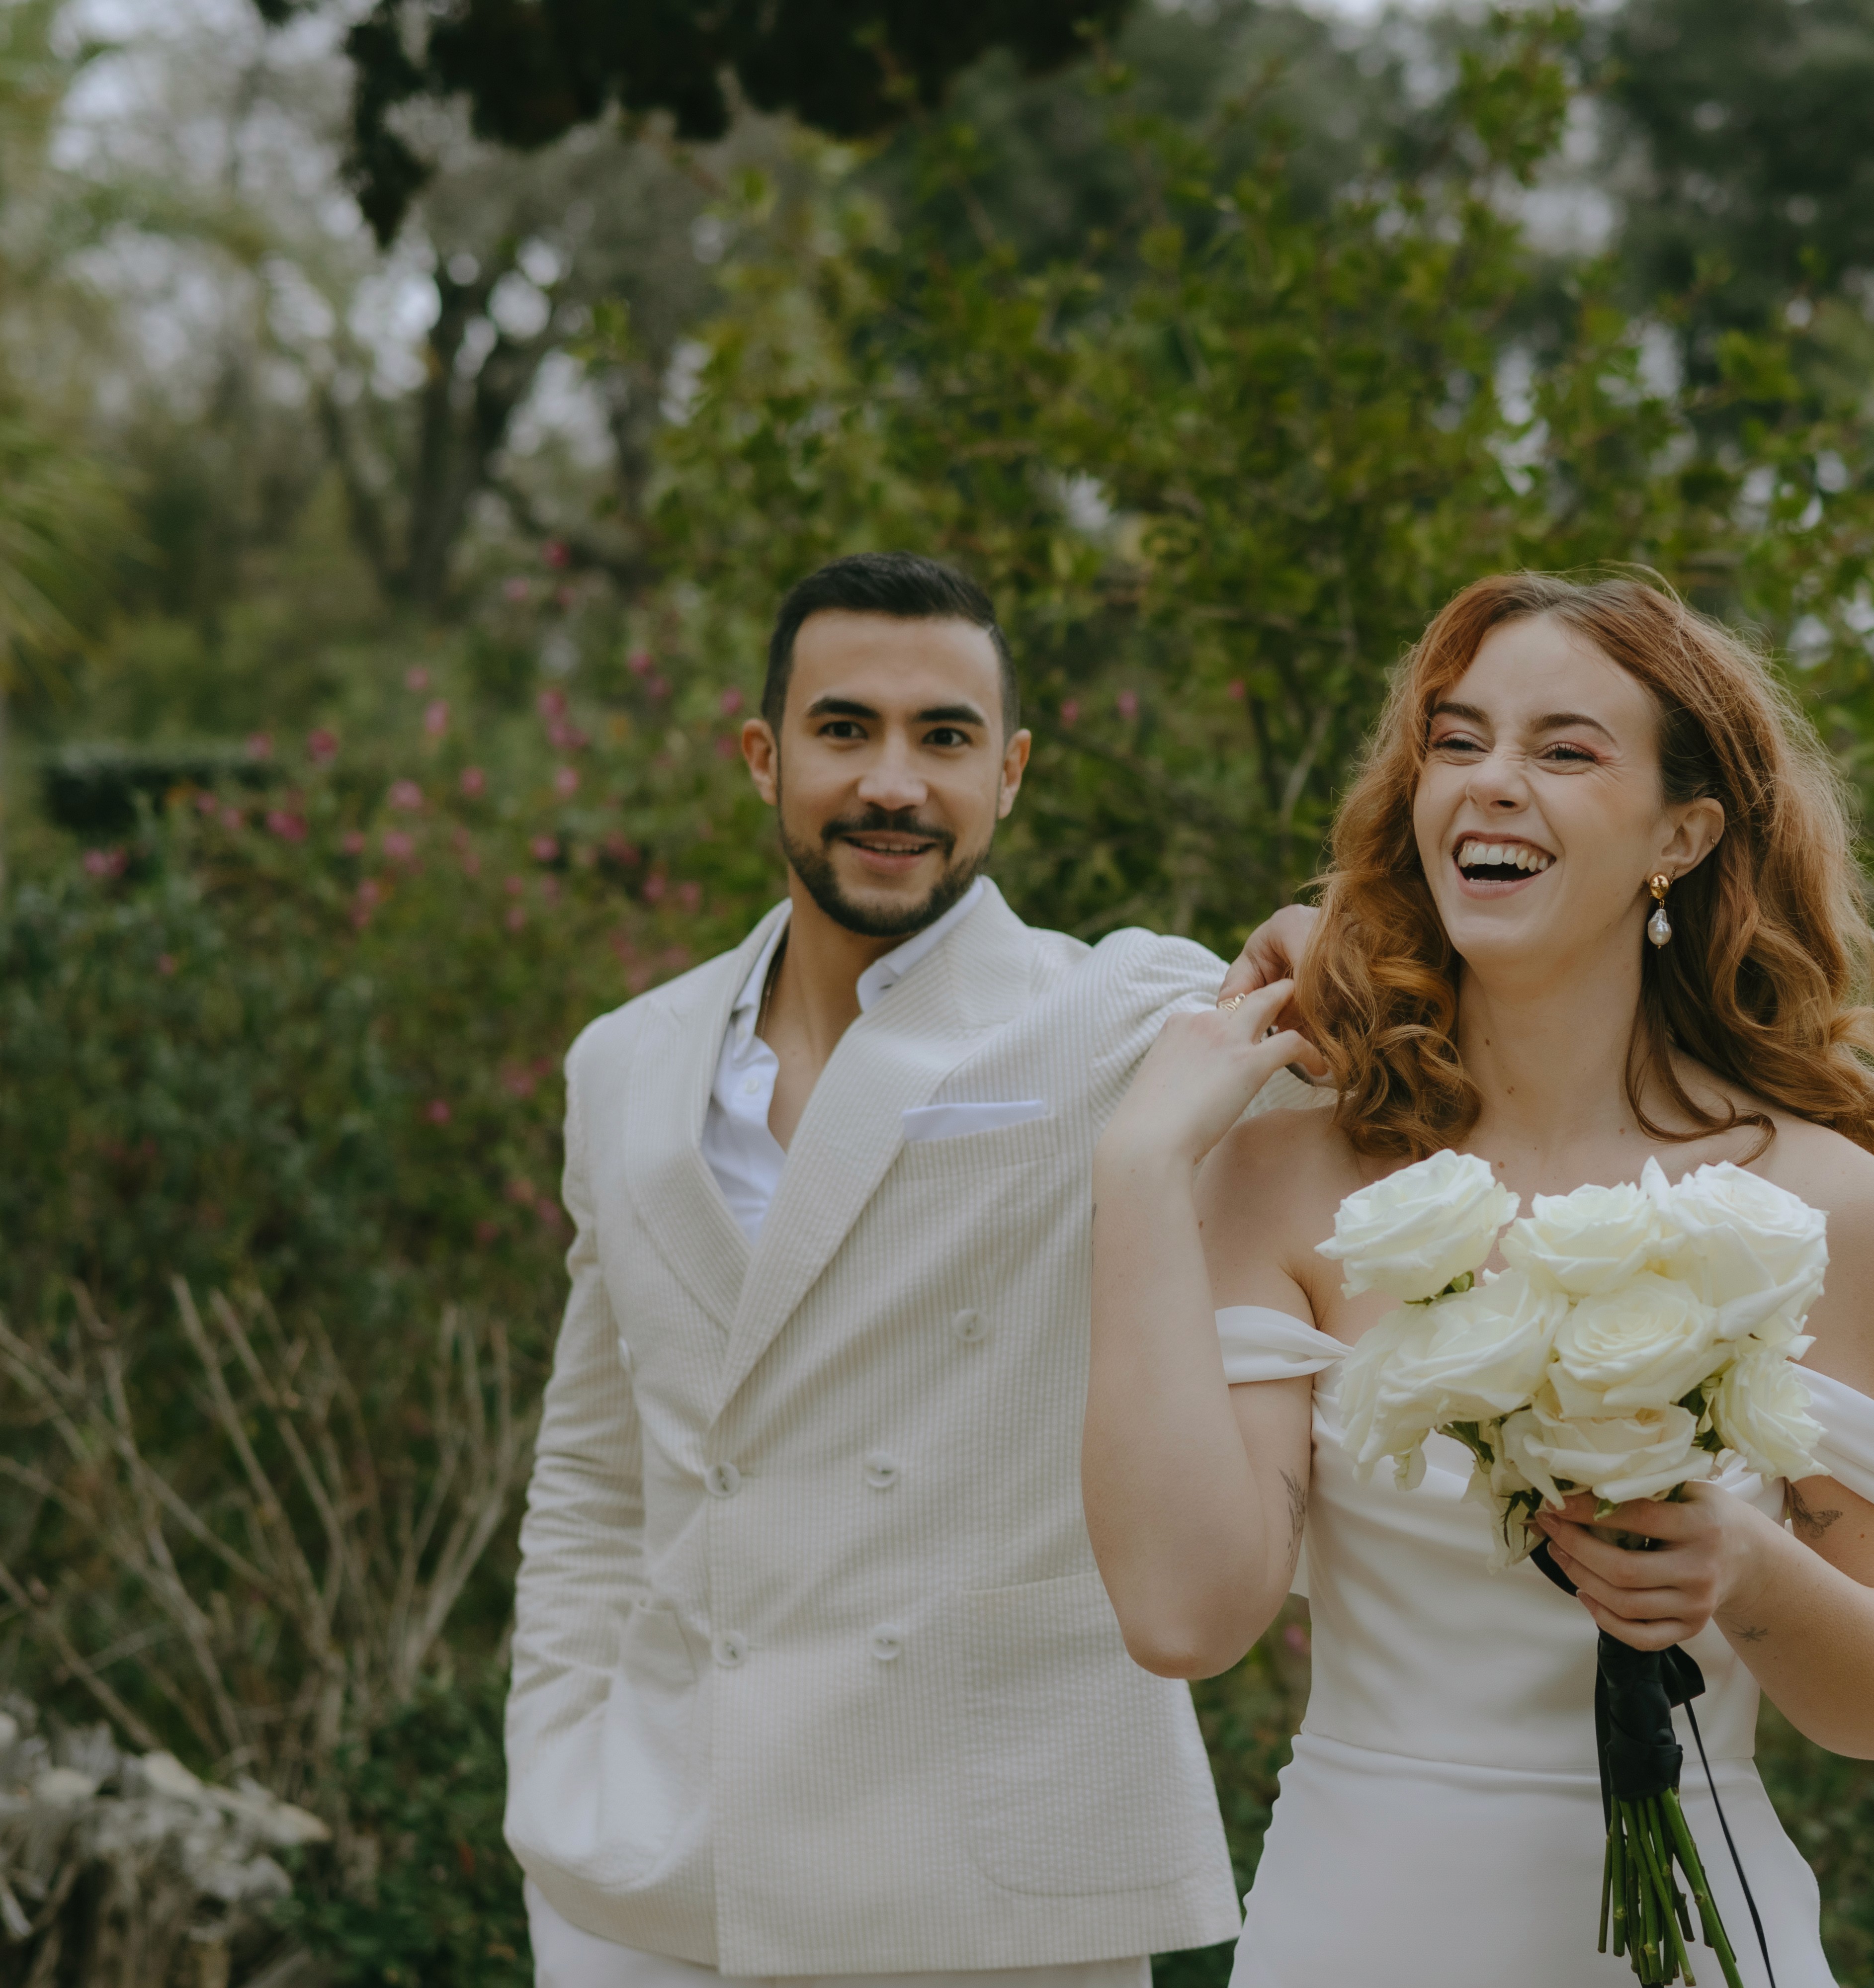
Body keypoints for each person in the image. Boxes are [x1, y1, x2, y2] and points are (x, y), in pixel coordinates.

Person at [1083, 571, 1874, 1986]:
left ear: (1682, 833)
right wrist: (1137, 1170)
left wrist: (1745, 1568)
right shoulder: (1284, 1178)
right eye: (1458, 740)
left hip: (1699, 1940)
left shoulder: (1818, 1200)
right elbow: (1186, 1618)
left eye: (1564, 750)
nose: (1492, 785)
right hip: (1361, 1928)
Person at [506, 551, 1313, 1988]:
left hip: (993, 1893)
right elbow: (591, 1470)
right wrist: (556, 1772)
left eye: (943, 738)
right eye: (843, 730)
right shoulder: (623, 1062)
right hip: (656, 1874)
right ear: (764, 758)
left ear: (1008, 773)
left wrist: (1333, 940)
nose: (894, 783)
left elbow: (1381, 1061)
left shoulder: (1118, 1009)